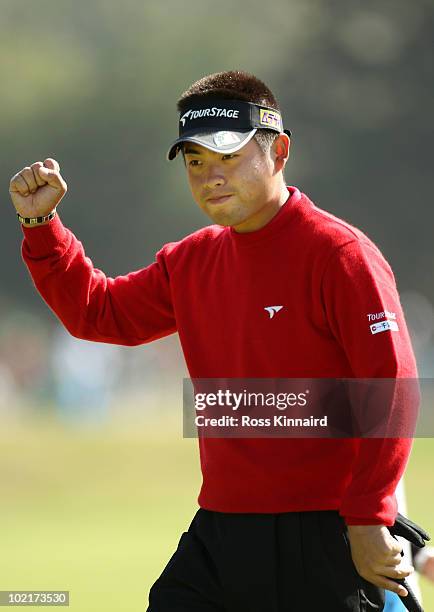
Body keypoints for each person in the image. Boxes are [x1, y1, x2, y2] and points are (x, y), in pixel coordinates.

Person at [9, 70, 419, 611]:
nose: (210, 177)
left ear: (279, 152)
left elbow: (391, 391)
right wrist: (41, 223)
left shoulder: (340, 255)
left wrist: (370, 518)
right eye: (196, 162)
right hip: (223, 531)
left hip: (326, 531)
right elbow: (97, 312)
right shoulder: (190, 261)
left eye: (228, 157)